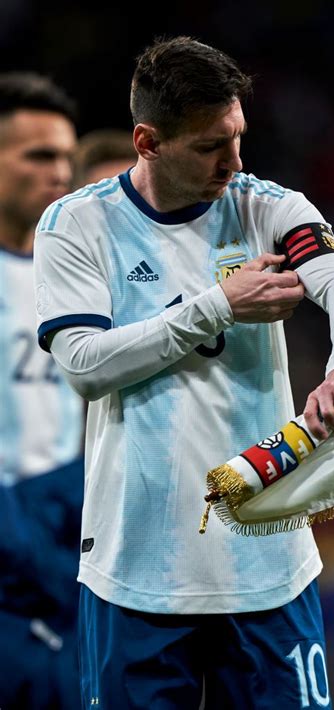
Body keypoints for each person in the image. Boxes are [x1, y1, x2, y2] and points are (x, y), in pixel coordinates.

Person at [34, 36, 334, 709]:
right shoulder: (76, 225)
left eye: (238, 136)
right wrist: (220, 304)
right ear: (147, 141)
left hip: (270, 564)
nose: (234, 160)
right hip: (135, 568)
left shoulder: (266, 206)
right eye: (209, 146)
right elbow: (83, 365)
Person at [0, 73, 84, 708]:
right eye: (38, 155)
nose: (60, 171)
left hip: (66, 524)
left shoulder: (80, 277)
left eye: (65, 156)